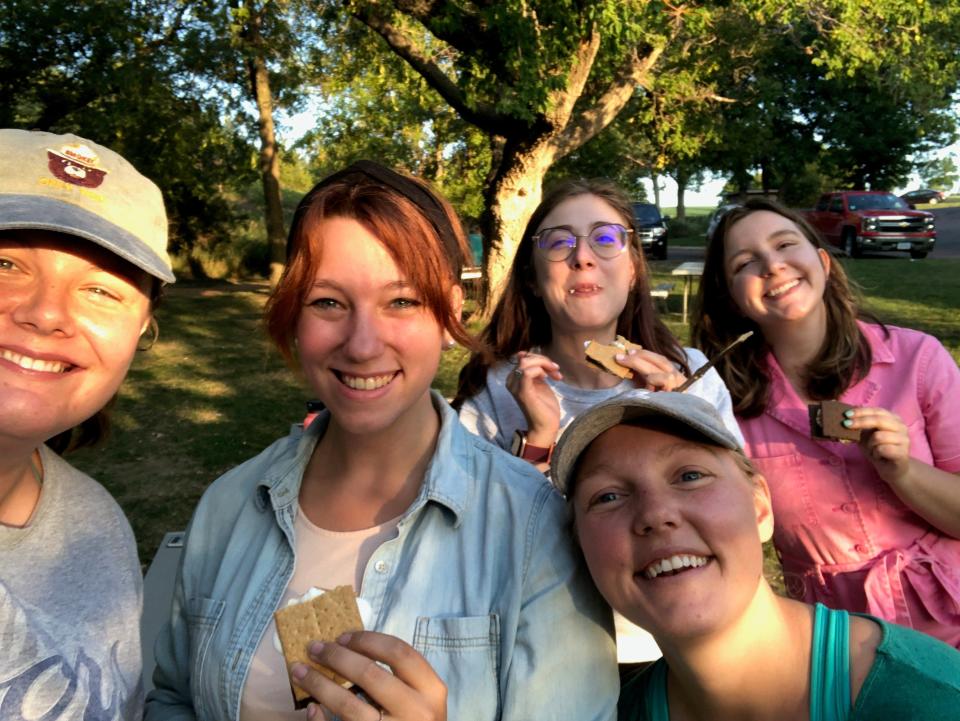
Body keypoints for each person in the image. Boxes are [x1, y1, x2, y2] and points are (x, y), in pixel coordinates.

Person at [145, 161, 617, 721]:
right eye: (328, 302)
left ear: (449, 314)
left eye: (402, 301)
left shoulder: (534, 527)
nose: (363, 344)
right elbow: (173, 699)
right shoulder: (228, 506)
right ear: (295, 313)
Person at [454, 178, 742, 665]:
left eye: (606, 239)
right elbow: (474, 547)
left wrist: (680, 411)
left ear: (632, 269)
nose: (582, 256)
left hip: (680, 643)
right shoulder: (495, 393)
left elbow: (743, 519)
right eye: (559, 241)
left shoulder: (689, 373)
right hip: (544, 650)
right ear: (530, 276)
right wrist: (539, 442)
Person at [551, 392, 960, 721]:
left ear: (760, 506)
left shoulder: (926, 697)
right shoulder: (611, 712)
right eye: (607, 497)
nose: (655, 514)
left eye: (690, 476)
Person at [691, 198, 960, 648]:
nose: (773, 266)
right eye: (746, 262)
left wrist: (904, 472)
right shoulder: (729, 407)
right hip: (831, 645)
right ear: (732, 297)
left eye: (784, 245)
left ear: (823, 262)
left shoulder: (919, 358)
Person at [0, 129, 175, 719]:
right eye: (6, 262)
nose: (46, 312)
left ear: (141, 330)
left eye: (101, 289)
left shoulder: (96, 527)